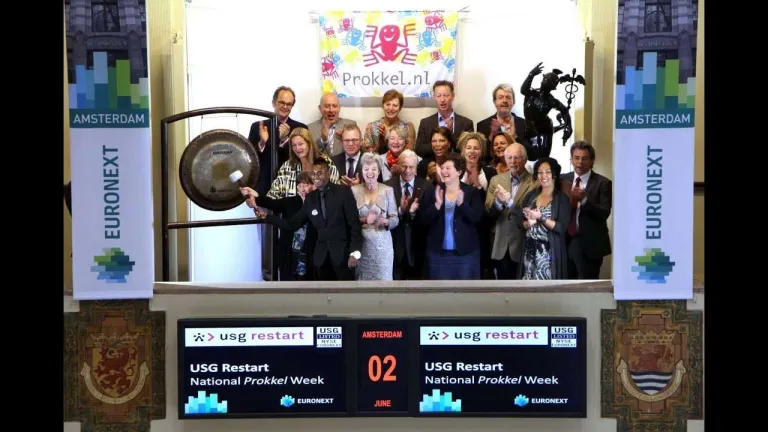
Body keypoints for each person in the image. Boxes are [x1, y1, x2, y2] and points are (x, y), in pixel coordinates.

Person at [255, 158, 362, 281]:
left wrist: (355, 253)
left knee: (345, 292)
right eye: (313, 173)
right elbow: (292, 224)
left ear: (328, 174)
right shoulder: (310, 199)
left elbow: (355, 225)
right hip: (320, 259)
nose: (316, 177)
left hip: (343, 256)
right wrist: (267, 217)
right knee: (322, 292)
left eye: (320, 173)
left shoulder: (343, 192)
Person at [419, 153, 485, 280]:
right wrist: (437, 205)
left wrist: (462, 204)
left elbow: (477, 219)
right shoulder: (432, 192)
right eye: (442, 168)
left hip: (465, 255)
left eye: (448, 168)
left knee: (465, 291)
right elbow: (423, 220)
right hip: (438, 255)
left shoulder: (471, 192)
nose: (444, 171)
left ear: (459, 171)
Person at [242, 172, 316, 281]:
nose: (302, 189)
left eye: (306, 185)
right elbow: (272, 203)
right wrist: (255, 196)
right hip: (289, 255)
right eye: (299, 186)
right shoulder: (291, 202)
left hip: (311, 255)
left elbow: (291, 225)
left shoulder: (319, 203)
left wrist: (266, 216)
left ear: (314, 186)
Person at [560, 140, 613, 279]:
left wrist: (583, 200)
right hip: (564, 242)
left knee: (587, 285)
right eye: (576, 158)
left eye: (584, 158)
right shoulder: (562, 180)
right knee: (564, 285)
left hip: (590, 245)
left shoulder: (603, 183)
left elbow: (604, 213)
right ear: (571, 159)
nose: (580, 162)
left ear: (592, 161)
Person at [485, 143, 537, 279]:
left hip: (523, 243)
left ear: (525, 160)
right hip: (500, 243)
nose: (513, 162)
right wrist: (498, 202)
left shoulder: (535, 183)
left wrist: (510, 202)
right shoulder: (496, 180)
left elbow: (531, 213)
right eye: (509, 158)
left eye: (517, 157)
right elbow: (488, 210)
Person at [517, 157, 571, 279]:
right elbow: (520, 223)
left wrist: (541, 218)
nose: (543, 176)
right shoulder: (531, 196)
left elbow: (561, 228)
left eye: (547, 172)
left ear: (554, 174)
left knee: (547, 286)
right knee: (528, 286)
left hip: (549, 252)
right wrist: (529, 223)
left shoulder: (562, 199)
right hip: (529, 250)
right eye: (540, 172)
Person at [350, 153, 399, 280]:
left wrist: (386, 221)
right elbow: (349, 220)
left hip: (383, 246)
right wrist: (365, 220)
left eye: (374, 169)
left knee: (383, 281)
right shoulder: (354, 190)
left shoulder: (388, 190)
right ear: (362, 171)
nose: (370, 172)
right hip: (362, 245)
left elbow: (395, 218)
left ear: (379, 171)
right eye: (366, 169)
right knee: (362, 282)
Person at [385, 149, 428, 280]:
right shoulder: (388, 186)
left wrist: (413, 213)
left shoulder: (426, 186)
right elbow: (386, 216)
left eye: (411, 167)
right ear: (398, 166)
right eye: (404, 166)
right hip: (395, 245)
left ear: (416, 168)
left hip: (418, 246)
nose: (407, 171)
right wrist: (401, 211)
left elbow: (427, 217)